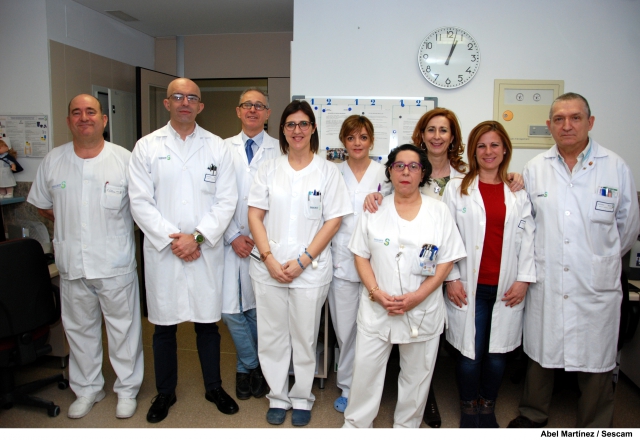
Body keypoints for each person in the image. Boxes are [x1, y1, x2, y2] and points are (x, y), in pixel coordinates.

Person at [363, 107, 522, 427]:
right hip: (408, 272)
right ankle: (422, 401)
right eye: (431, 129)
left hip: (448, 272)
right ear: (421, 135)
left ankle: (426, 400)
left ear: (453, 138)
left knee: (432, 343)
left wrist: (514, 177)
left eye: (444, 130)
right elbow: (385, 199)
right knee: (412, 345)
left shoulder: (464, 177)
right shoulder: (406, 167)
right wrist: (372, 196)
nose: (437, 136)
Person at [508, 93, 640, 428]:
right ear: (549, 125)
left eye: (575, 117)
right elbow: (527, 224)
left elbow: (627, 228)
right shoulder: (536, 168)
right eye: (559, 119)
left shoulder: (615, 167)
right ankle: (533, 414)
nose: (567, 125)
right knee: (541, 351)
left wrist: (599, 259)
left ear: (590, 122)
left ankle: (594, 424)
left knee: (597, 356)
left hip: (595, 282)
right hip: (548, 278)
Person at [128, 78, 239, 423]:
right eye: (178, 96)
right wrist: (174, 239)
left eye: (192, 98)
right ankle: (165, 392)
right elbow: (140, 201)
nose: (185, 102)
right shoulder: (146, 147)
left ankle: (213, 387)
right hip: (165, 251)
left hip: (204, 249)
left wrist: (198, 238)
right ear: (167, 103)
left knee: (208, 324)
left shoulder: (217, 147)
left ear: (200, 106)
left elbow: (227, 200)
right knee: (164, 327)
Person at [27, 94, 143, 419]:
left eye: (91, 111)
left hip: (115, 263)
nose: (83, 118)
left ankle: (127, 389)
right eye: (76, 113)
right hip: (72, 264)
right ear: (68, 121)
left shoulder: (124, 159)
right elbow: (43, 205)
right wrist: (72, 223)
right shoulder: (54, 160)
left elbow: (141, 209)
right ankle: (88, 388)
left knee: (124, 331)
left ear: (103, 120)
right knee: (79, 331)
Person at [343, 144, 466, 428]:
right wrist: (376, 293)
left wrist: (417, 297)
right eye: (399, 166)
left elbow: (446, 261)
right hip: (378, 307)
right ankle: (356, 425)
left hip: (422, 309)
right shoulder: (374, 208)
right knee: (365, 372)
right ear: (390, 172)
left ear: (423, 173)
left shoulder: (439, 211)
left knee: (417, 375)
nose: (406, 172)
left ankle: (406, 426)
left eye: (413, 166)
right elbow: (360, 255)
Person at [247, 100, 352, 427]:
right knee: (272, 336)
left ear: (313, 128)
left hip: (310, 270)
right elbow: (255, 215)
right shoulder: (268, 169)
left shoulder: (328, 171)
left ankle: (303, 397)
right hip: (269, 267)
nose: (297, 130)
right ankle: (278, 396)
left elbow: (333, 221)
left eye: (303, 124)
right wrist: (268, 258)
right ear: (282, 129)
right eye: (291, 124)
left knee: (305, 337)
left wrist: (304, 260)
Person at [441, 121, 536, 428]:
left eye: (494, 144)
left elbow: (528, 239)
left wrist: (523, 280)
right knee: (470, 353)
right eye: (481, 145)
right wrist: (452, 278)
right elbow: (446, 237)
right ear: (473, 151)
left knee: (497, 354)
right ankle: (469, 409)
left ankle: (488, 407)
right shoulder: (457, 189)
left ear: (505, 149)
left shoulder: (517, 193)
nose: (488, 151)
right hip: (469, 286)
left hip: (506, 286)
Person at [328, 115, 392, 413]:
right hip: (340, 263)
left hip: (374, 266)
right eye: (351, 137)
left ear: (371, 141)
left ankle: (367, 388)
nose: (357, 143)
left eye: (363, 137)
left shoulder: (385, 174)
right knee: (345, 332)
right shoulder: (332, 172)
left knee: (372, 331)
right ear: (343, 141)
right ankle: (347, 386)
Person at [221, 88, 279, 400]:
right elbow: (212, 197)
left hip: (263, 243)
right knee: (230, 310)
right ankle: (254, 364)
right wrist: (232, 235)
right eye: (247, 105)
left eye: (259, 106)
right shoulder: (221, 148)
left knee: (257, 310)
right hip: (228, 240)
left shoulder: (279, 150)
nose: (253, 110)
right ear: (238, 111)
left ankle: (245, 369)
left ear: (268, 113)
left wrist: (258, 238)